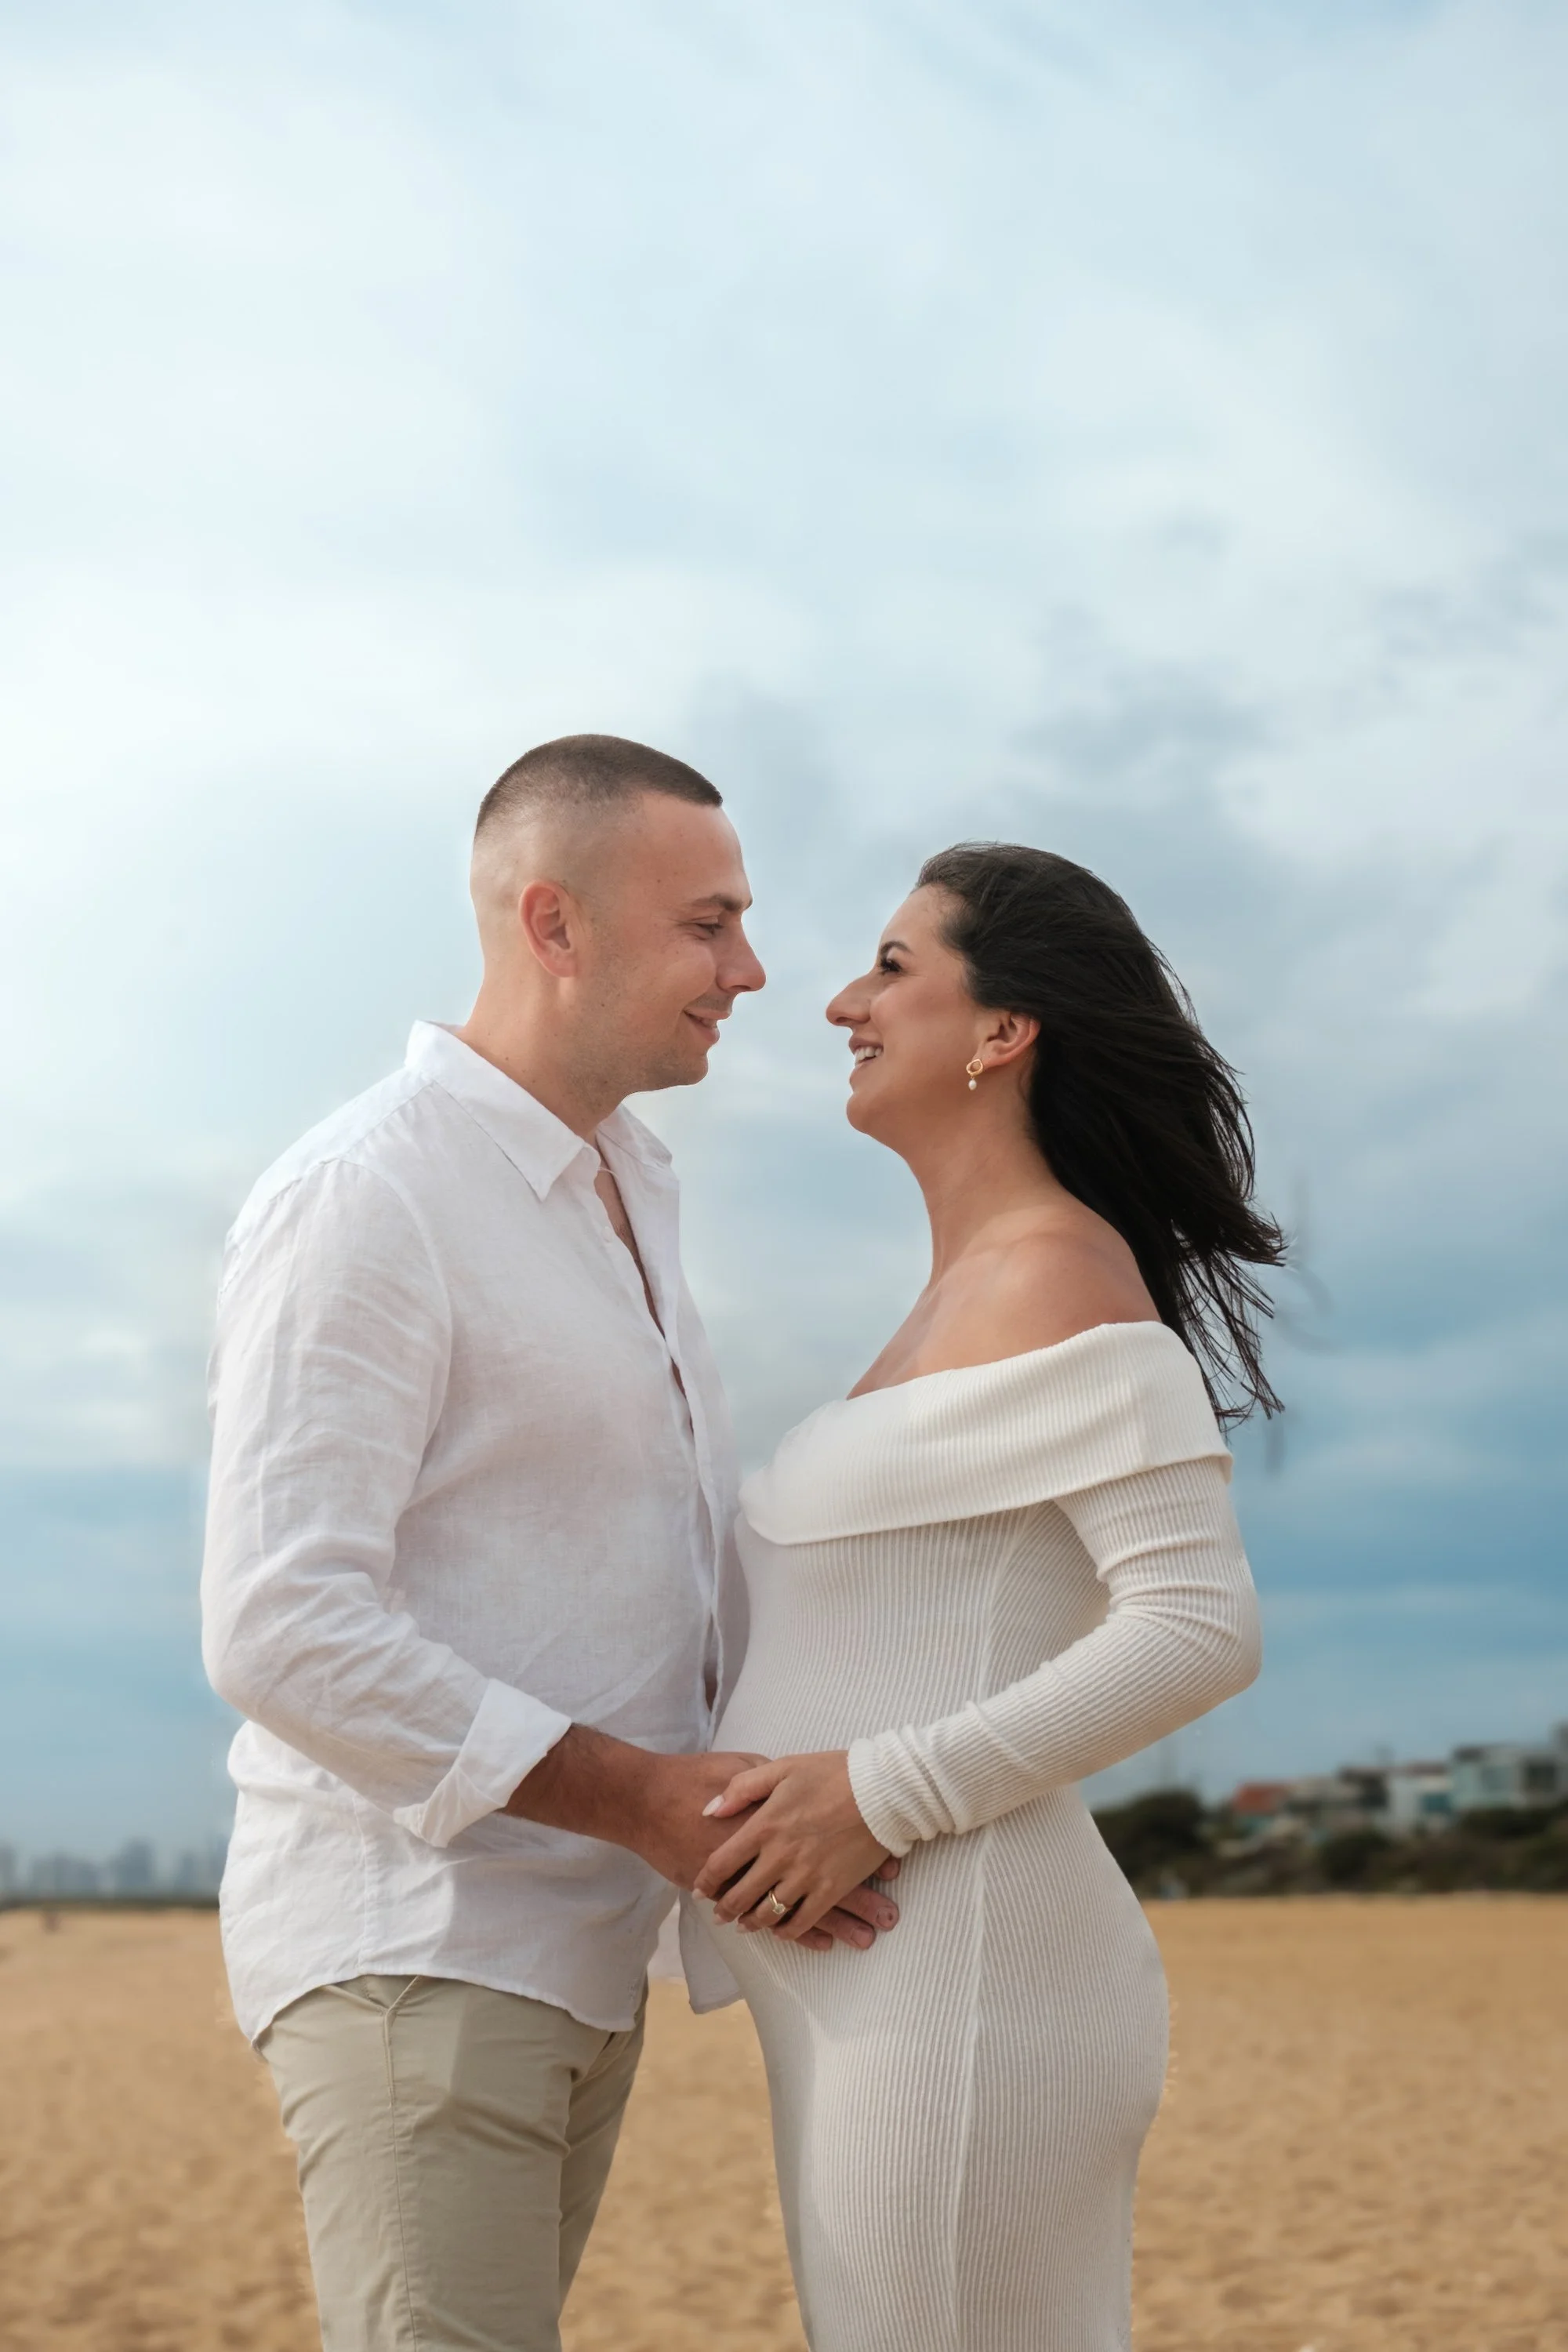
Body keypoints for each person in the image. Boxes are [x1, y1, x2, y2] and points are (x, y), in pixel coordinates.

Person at [200, 735, 899, 2352]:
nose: (753, 969)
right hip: (419, 1942)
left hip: (579, 1949)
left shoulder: (630, 1188)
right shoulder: (369, 1192)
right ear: (554, 924)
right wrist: (644, 1800)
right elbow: (281, 1627)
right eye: (707, 925)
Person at [692, 842, 1281, 2352]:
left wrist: (881, 1793)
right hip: (876, 1981)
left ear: (1006, 1032)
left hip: (965, 1979)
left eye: (892, 968)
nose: (838, 1002)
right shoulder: (960, 1298)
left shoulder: (1062, 1278)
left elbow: (1197, 1626)